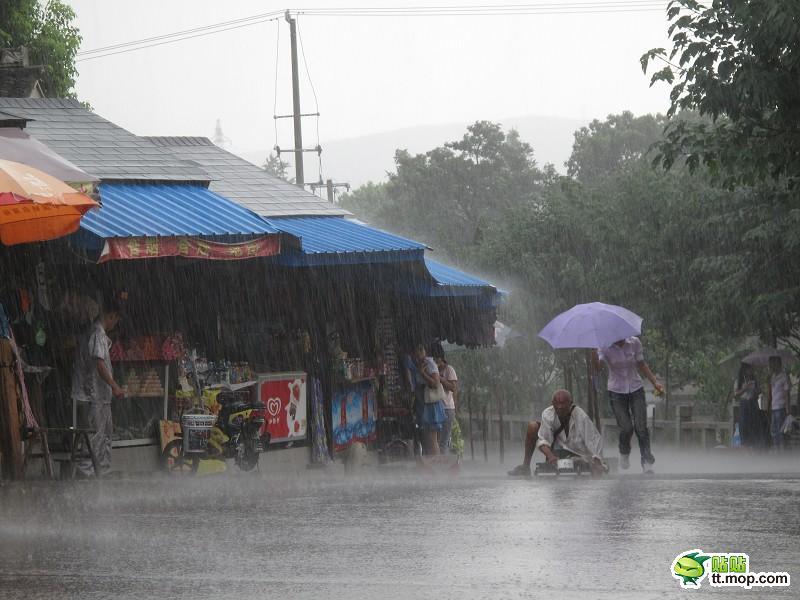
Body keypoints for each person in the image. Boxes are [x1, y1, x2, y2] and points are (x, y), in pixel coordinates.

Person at [593, 337, 663, 473]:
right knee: (626, 427)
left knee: (641, 427)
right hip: (616, 391)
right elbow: (598, 368)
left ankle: (647, 461)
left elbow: (642, 364)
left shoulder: (634, 342)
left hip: (636, 388)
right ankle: (624, 452)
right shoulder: (604, 346)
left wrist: (655, 382)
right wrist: (593, 353)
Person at [71, 300, 125, 476]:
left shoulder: (98, 334)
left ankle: (102, 470)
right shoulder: (97, 334)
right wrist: (115, 386)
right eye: (116, 320)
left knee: (104, 434)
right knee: (94, 436)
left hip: (100, 396)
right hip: (93, 395)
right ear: (111, 316)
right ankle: (87, 473)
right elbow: (99, 364)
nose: (115, 325)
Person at [508, 390, 605, 476]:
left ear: (570, 403)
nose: (560, 407)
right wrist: (550, 456)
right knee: (532, 426)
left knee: (584, 462)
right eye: (557, 404)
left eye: (563, 404)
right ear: (553, 404)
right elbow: (543, 439)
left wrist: (596, 461)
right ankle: (525, 467)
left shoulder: (581, 416)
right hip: (556, 449)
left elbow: (593, 440)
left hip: (578, 452)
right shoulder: (548, 414)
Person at [414, 343, 446, 455]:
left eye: (420, 351)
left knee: (432, 439)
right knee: (429, 438)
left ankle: (437, 461)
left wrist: (423, 373)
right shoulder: (422, 364)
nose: (418, 355)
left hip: (432, 404)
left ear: (424, 352)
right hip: (426, 403)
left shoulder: (430, 364)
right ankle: (434, 461)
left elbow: (435, 383)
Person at [431, 344, 458, 453]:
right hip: (437, 408)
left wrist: (440, 379)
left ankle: (444, 465)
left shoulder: (449, 369)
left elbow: (453, 387)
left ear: (441, 358)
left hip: (447, 408)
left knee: (443, 442)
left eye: (436, 359)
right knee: (435, 441)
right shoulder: (433, 370)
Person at [734, 362, 762, 449]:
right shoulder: (739, 381)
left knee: (753, 426)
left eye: (751, 368)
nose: (751, 370)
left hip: (753, 404)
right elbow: (735, 395)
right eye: (749, 368)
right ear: (744, 370)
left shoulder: (754, 380)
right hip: (744, 404)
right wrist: (745, 388)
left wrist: (757, 392)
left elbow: (758, 392)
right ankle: (744, 446)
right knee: (744, 425)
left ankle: (753, 447)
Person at [769, 357, 789, 450]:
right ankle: (777, 452)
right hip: (773, 407)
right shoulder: (772, 377)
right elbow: (771, 392)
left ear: (778, 364)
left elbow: (787, 393)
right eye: (770, 364)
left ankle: (782, 454)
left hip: (781, 407)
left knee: (781, 431)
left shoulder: (784, 376)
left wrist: (788, 409)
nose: (771, 366)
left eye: (772, 363)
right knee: (774, 431)